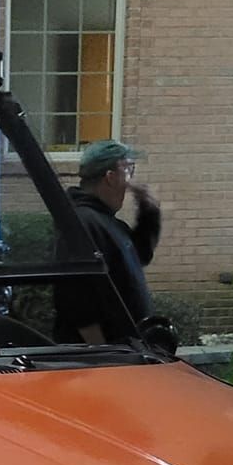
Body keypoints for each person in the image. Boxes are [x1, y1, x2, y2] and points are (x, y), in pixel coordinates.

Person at [54, 137, 161, 344]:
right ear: (110, 177)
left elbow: (138, 256)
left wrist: (149, 211)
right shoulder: (83, 222)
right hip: (100, 358)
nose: (131, 181)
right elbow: (73, 292)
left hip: (120, 352)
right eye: (129, 170)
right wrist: (99, 349)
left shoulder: (106, 222)